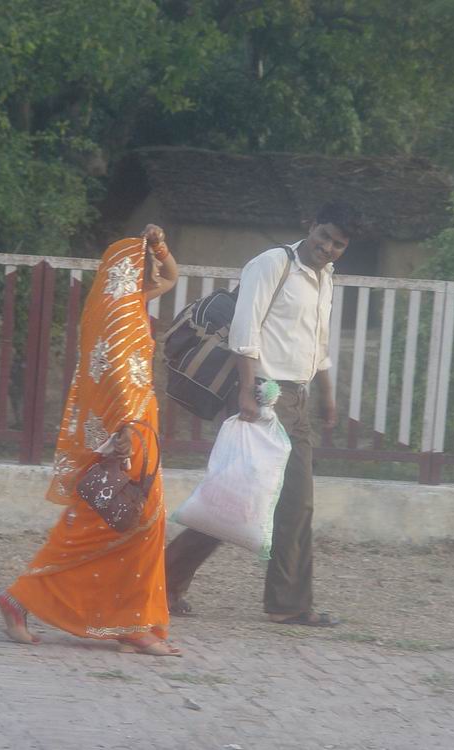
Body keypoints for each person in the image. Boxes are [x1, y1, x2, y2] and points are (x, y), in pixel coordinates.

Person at [164, 201, 361, 627]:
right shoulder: (274, 263)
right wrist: (249, 394)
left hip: (297, 397)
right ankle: (284, 603)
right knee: (246, 501)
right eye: (324, 236)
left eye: (338, 244)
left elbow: (319, 344)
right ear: (309, 224)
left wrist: (327, 395)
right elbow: (245, 329)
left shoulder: (325, 277)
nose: (327, 248)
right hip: (264, 394)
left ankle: (172, 581)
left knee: (267, 502)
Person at [0, 224, 182, 656]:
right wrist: (124, 437)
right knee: (114, 524)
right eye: (142, 264)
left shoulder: (124, 302)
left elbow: (171, 276)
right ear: (127, 272)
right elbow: (116, 379)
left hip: (137, 425)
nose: (149, 271)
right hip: (127, 430)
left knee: (136, 525)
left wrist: (158, 246)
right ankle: (21, 598)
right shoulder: (118, 315)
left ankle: (130, 623)